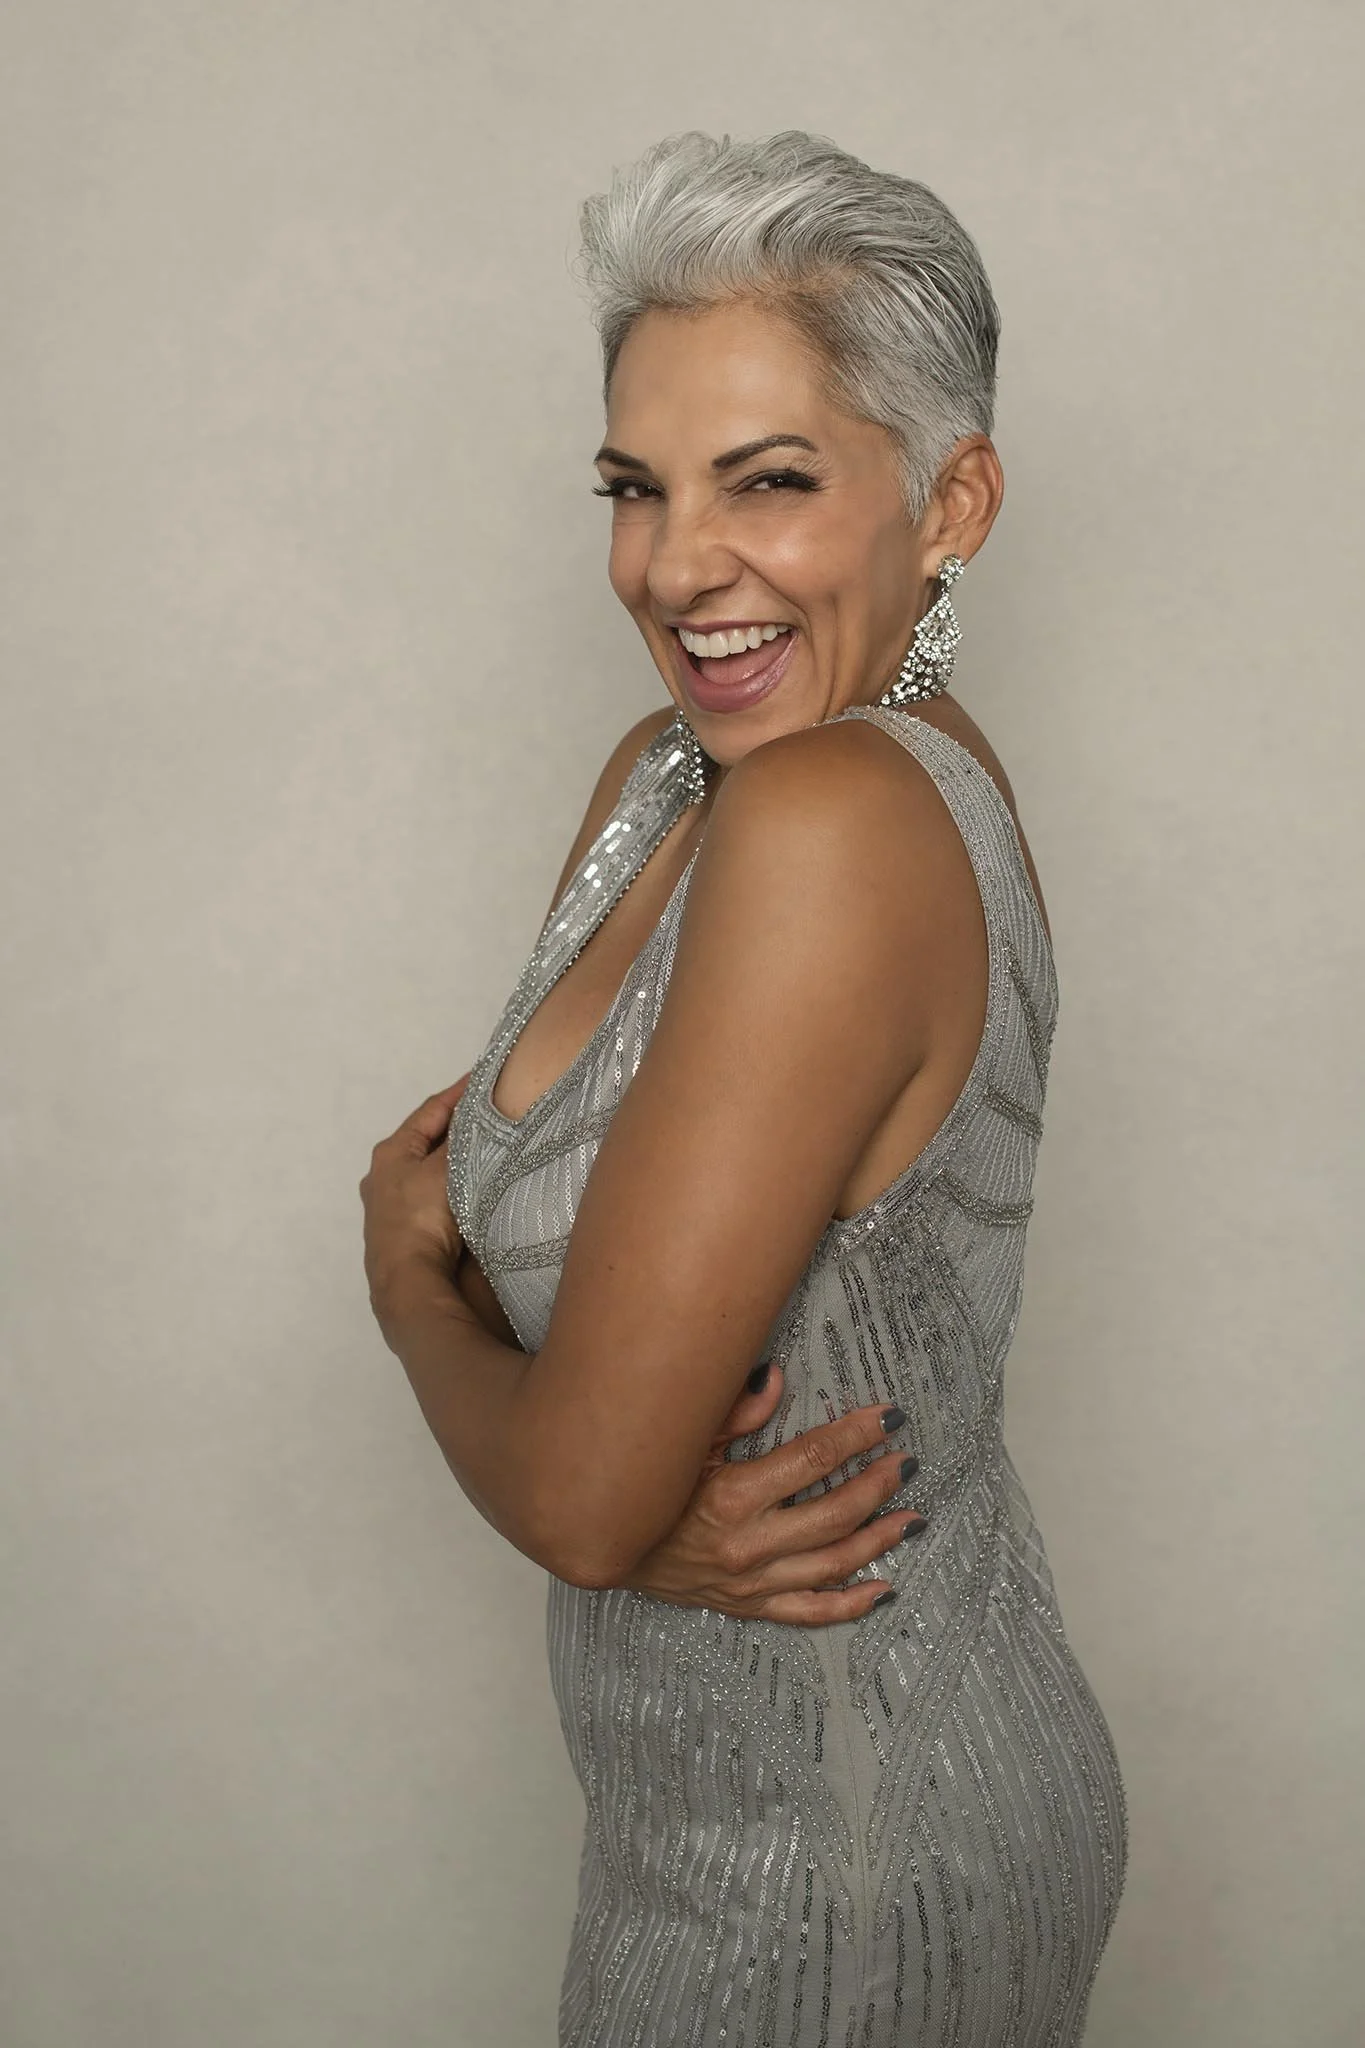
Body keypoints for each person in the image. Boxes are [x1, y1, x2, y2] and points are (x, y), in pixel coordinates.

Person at [360, 129, 1128, 2046]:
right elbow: (581, 1351)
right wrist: (583, 1468)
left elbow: (585, 1489)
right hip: (713, 1806)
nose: (676, 565)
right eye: (636, 488)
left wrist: (403, 1294)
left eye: (767, 483)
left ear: (950, 500)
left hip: (846, 1840)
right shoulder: (665, 784)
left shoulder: (840, 820)